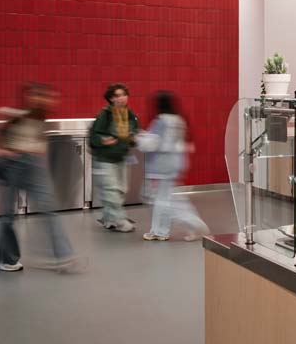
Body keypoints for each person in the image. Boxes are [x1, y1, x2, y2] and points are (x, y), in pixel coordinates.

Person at [0, 83, 81, 273]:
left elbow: (37, 140)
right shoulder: (14, 115)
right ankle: (5, 258)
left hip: (32, 165)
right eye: (38, 96)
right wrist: (4, 150)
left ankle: (63, 256)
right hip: (12, 164)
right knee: (8, 215)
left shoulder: (40, 116)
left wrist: (37, 148)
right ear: (28, 97)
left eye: (46, 97)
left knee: (49, 210)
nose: (44, 100)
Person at [137, 91, 208, 242]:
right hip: (175, 164)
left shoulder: (161, 121)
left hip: (161, 166)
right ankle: (160, 231)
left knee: (160, 200)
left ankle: (191, 223)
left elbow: (152, 144)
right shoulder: (178, 120)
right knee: (164, 198)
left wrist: (138, 138)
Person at [89, 83, 139, 232]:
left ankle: (108, 218)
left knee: (121, 190)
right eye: (117, 96)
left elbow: (134, 132)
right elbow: (93, 137)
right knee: (111, 190)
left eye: (123, 94)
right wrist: (103, 140)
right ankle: (120, 220)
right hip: (105, 159)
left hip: (121, 157)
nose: (121, 98)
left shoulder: (130, 115)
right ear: (110, 98)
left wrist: (135, 138)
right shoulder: (105, 114)